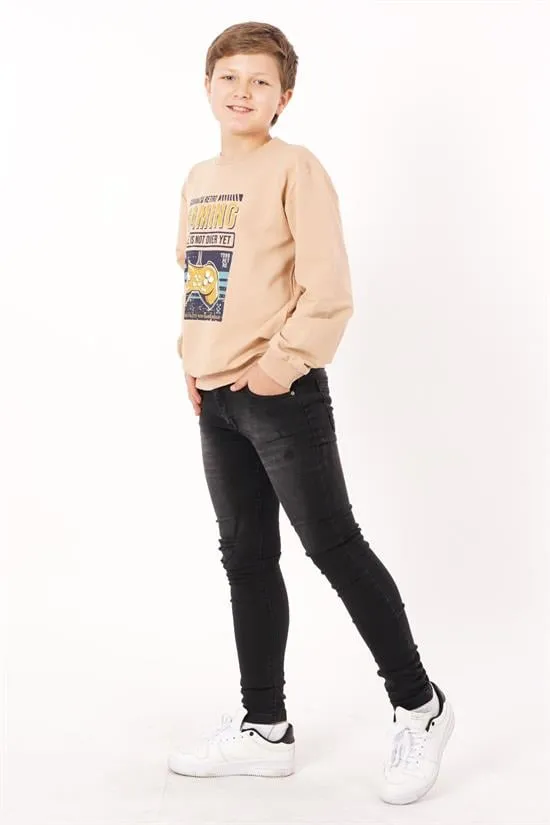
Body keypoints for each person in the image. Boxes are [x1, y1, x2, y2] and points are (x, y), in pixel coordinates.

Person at [168, 21, 454, 805]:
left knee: (333, 545)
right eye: (229, 77)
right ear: (207, 87)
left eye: (260, 81)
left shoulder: (296, 168)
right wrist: (191, 356)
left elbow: (328, 288)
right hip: (216, 398)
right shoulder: (199, 177)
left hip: (280, 395)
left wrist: (278, 364)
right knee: (245, 556)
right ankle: (264, 728)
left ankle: (419, 704)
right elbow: (202, 277)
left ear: (284, 98)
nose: (242, 91)